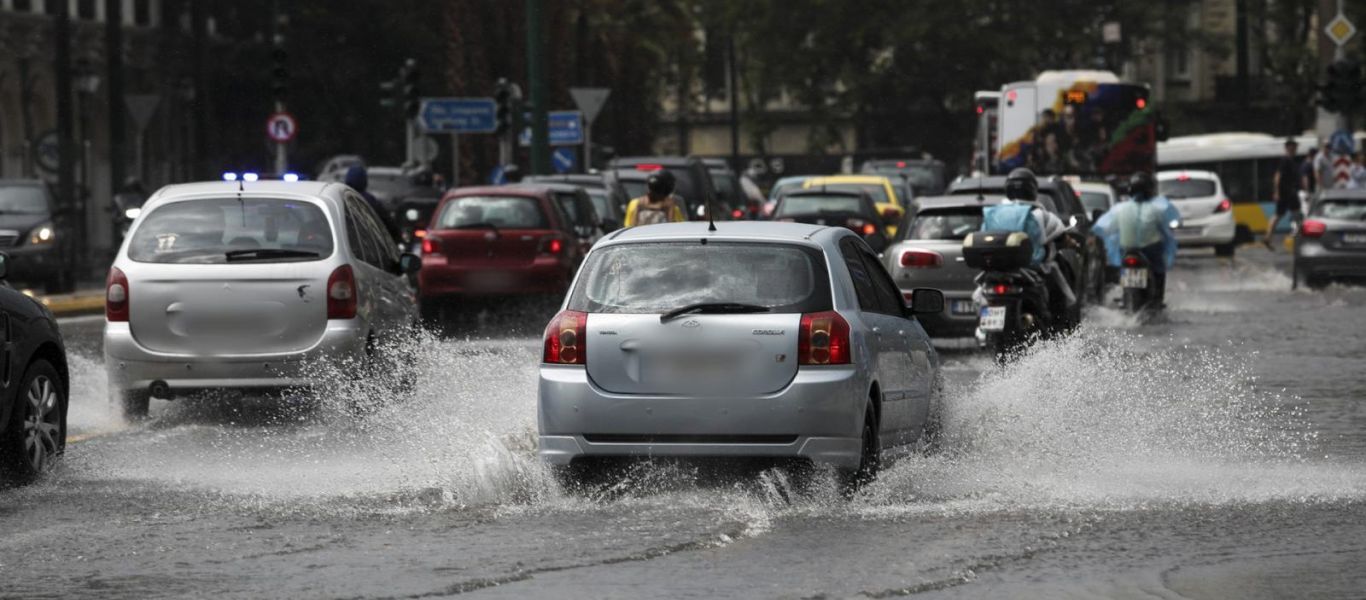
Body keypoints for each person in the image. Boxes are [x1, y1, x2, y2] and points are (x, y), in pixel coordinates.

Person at [979, 168, 1077, 320]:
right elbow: (1061, 237)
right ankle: (1060, 323)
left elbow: (983, 236)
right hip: (1033, 268)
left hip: (996, 269)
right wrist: (1072, 243)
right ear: (1032, 189)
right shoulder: (1039, 214)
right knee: (1059, 279)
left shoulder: (992, 212)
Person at [1095, 171, 1178, 306]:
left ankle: (1124, 295)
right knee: (1159, 268)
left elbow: (1106, 227)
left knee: (1122, 266)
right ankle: (1158, 298)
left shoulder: (1120, 209)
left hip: (1127, 248)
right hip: (1150, 249)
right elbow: (1165, 228)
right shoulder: (1156, 209)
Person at [344, 165, 401, 244]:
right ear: (364, 181)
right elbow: (387, 223)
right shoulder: (368, 201)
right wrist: (397, 238)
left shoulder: (340, 199)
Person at [1264, 138, 1302, 249]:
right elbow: (1277, 176)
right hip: (1287, 192)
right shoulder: (1285, 160)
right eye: (1293, 146)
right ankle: (1295, 237)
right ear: (1289, 147)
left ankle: (1268, 237)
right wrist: (1276, 192)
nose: (1295, 148)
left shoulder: (1291, 160)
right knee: (1296, 215)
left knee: (1282, 215)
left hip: (1288, 192)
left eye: (1296, 146)